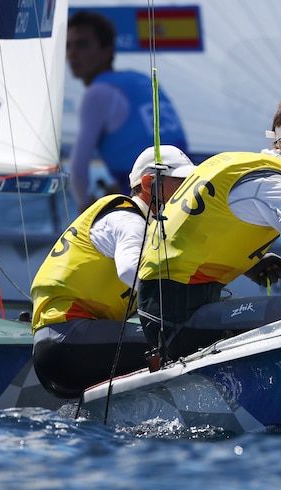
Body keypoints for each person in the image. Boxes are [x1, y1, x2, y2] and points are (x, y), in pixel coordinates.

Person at [137, 92, 281, 360]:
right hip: (178, 315)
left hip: (160, 306)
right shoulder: (278, 184)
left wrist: (247, 262)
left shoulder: (233, 164)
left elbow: (193, 231)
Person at [31, 145, 196, 399]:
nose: (189, 193)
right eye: (181, 184)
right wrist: (181, 304)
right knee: (186, 337)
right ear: (149, 183)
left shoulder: (147, 228)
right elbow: (130, 268)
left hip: (61, 347)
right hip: (71, 341)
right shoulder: (128, 219)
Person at [66, 10, 187, 213]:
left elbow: (78, 168)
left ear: (106, 51)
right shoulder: (140, 79)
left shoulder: (98, 93)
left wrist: (85, 208)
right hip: (185, 182)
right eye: (68, 46)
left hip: (153, 192)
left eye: (82, 45)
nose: (72, 54)